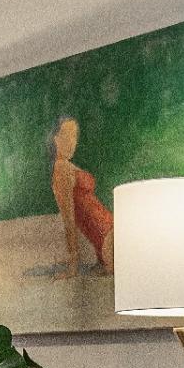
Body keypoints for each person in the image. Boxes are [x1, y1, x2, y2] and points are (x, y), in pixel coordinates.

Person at [49, 115, 114, 278]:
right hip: (108, 240)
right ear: (55, 139)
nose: (72, 141)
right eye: (66, 135)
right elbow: (69, 221)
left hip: (109, 233)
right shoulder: (61, 170)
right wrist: (73, 265)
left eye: (74, 135)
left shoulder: (67, 166)